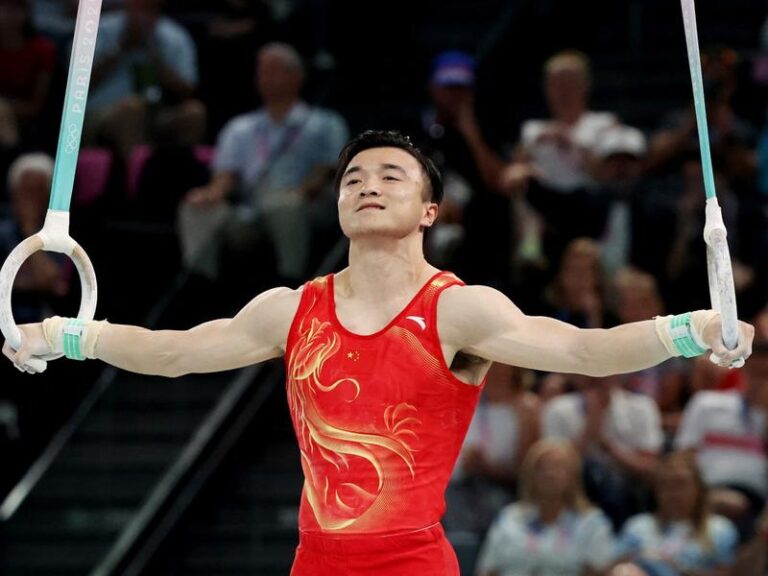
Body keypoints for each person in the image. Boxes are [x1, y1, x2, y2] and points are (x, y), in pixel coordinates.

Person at [3, 130, 754, 575]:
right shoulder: (291, 309)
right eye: (354, 178)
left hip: (412, 563)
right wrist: (69, 335)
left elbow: (586, 351)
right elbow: (175, 354)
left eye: (390, 175)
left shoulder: (458, 309)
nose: (367, 185)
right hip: (316, 561)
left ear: (429, 210)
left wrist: (690, 329)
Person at [178, 42, 349, 284]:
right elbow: (225, 175)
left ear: (296, 76)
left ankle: (293, 285)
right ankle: (200, 284)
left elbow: (328, 170)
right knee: (196, 207)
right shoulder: (240, 127)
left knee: (284, 206)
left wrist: (302, 191)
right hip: (252, 208)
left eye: (273, 70)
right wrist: (211, 193)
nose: (264, 77)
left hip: (303, 203)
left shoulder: (324, 123)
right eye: (261, 71)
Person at [474, 440, 616, 576]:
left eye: (558, 467)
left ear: (573, 476)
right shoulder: (508, 518)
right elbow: (487, 570)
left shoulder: (592, 523)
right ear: (530, 475)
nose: (550, 473)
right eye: (541, 467)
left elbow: (598, 572)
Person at [86, 0, 206, 161]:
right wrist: (121, 48)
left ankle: (182, 177)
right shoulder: (100, 29)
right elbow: (80, 84)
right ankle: (135, 181)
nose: (143, 17)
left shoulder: (175, 36)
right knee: (133, 108)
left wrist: (155, 57)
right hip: (102, 113)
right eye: (140, 8)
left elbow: (187, 90)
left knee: (194, 112)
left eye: (150, 9)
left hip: (156, 112)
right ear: (128, 5)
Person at [614, 452, 738, 576]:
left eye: (681, 484)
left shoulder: (719, 529)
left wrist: (681, 569)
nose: (673, 493)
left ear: (698, 489)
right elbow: (611, 568)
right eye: (666, 486)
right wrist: (639, 556)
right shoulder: (638, 526)